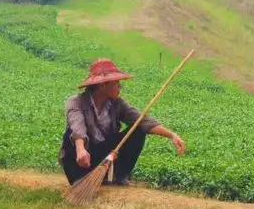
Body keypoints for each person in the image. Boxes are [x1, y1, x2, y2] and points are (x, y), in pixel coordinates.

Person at [59, 58, 185, 186]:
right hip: (80, 159)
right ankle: (80, 178)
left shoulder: (117, 103)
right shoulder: (76, 102)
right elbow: (77, 127)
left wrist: (171, 135)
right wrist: (80, 150)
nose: (120, 87)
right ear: (102, 85)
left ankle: (119, 176)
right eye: (116, 83)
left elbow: (142, 120)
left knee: (138, 129)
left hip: (103, 155)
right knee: (70, 135)